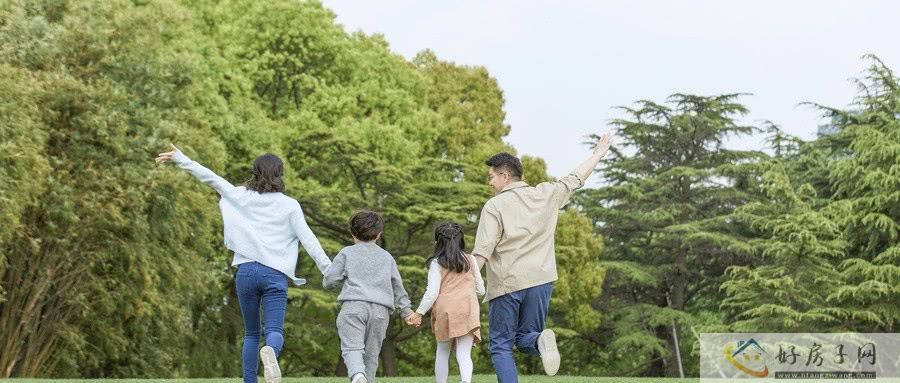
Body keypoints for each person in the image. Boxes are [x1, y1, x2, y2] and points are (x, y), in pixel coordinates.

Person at [155, 144, 332, 383]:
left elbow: (210, 177)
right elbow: (309, 240)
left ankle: (250, 381)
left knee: (250, 333)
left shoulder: (240, 195)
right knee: (274, 331)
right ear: (280, 174)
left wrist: (180, 158)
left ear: (255, 172)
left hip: (246, 273)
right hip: (274, 275)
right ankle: (271, 356)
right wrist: (328, 271)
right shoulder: (290, 205)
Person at [472, 133, 613, 383]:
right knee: (526, 338)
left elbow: (483, 250)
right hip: (541, 281)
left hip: (507, 283)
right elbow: (575, 178)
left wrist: (467, 283)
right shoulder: (546, 194)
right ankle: (539, 340)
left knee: (501, 346)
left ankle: (537, 340)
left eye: (492, 177)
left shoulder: (494, 206)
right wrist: (598, 154)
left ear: (505, 176)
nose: (490, 183)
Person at [322, 210, 416, 383]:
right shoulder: (387, 257)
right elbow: (397, 286)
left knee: (352, 348)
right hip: (381, 311)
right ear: (379, 234)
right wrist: (407, 312)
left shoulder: (346, 253)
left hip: (353, 307)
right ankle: (364, 378)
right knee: (372, 356)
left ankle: (357, 375)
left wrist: (341, 283)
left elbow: (329, 281)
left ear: (352, 232)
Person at [407, 222, 485, 383]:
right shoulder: (471, 259)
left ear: (438, 242)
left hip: (445, 309)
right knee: (464, 353)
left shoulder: (437, 262)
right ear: (461, 240)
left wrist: (419, 312)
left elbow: (432, 292)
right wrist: (467, 293)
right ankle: (465, 381)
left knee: (442, 352)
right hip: (468, 308)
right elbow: (481, 290)